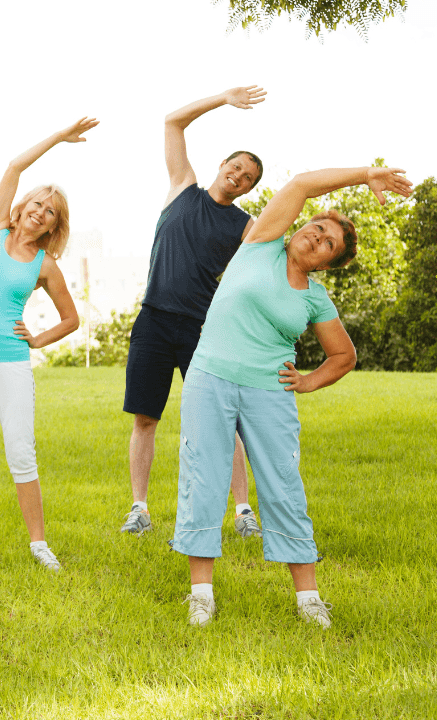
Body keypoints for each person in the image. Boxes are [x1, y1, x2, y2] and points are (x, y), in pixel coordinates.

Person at [172, 165, 412, 628]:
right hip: (210, 378)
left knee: (284, 485)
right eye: (317, 228)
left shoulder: (315, 299)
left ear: (327, 264)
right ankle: (201, 594)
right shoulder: (259, 246)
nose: (317, 239)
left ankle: (308, 600)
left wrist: (307, 380)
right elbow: (301, 185)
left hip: (269, 391)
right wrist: (366, 174)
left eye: (328, 244)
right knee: (203, 477)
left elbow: (343, 355)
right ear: (300, 227)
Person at [0, 118, 92, 575]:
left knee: (20, 452)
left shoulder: (46, 265)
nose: (40, 212)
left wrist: (38, 338)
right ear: (23, 204)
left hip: (10, 360)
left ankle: (39, 544)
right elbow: (13, 165)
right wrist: (59, 137)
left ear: (53, 225)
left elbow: (72, 318)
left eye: (50, 211)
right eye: (37, 203)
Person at [121, 86, 269, 538]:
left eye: (248, 177)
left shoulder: (245, 225)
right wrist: (224, 98)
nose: (239, 177)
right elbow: (172, 121)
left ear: (248, 189)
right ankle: (139, 510)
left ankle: (244, 513)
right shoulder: (183, 187)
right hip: (154, 320)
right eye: (236, 167)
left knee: (225, 420)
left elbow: (266, 263)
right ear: (222, 165)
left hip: (204, 329)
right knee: (146, 418)